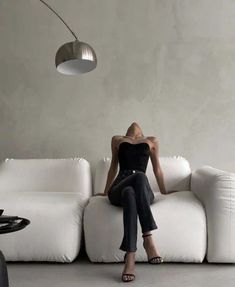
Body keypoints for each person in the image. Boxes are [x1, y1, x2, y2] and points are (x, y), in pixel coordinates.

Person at [94, 122, 176, 282]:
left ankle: (130, 257)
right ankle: (148, 239)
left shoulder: (152, 140)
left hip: (142, 189)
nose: (135, 124)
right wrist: (105, 192)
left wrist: (164, 191)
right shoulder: (117, 139)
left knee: (132, 190)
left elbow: (157, 168)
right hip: (120, 184)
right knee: (137, 178)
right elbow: (113, 167)